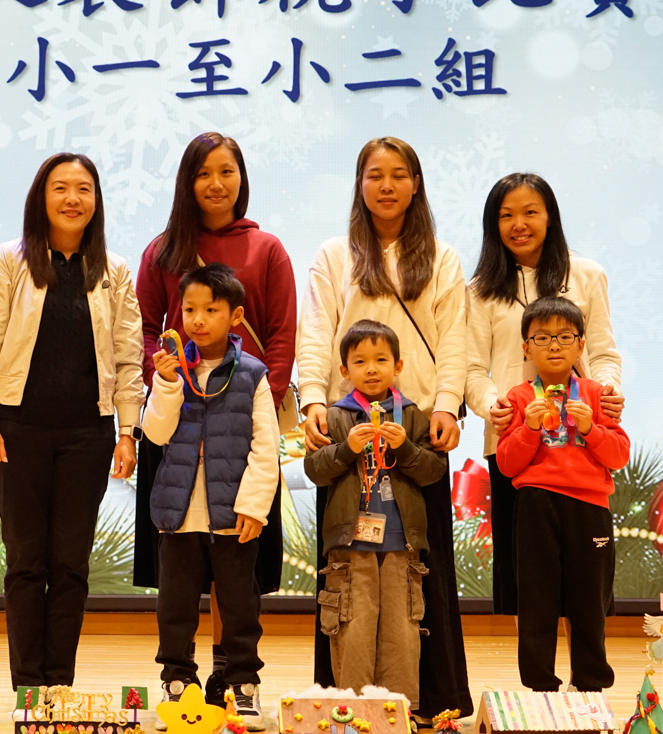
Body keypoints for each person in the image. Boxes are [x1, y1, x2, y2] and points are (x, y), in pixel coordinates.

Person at [297, 136, 472, 718]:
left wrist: (446, 405)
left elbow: (454, 340)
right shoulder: (334, 254)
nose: (387, 185)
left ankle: (431, 701)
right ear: (360, 183)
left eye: (399, 174)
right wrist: (312, 399)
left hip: (416, 427)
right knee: (345, 578)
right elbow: (316, 331)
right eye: (375, 174)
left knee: (421, 573)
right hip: (347, 427)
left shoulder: (442, 258)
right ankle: (342, 701)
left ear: (416, 184)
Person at [0, 153, 144, 703]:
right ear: (41, 197)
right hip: (17, 432)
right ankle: (28, 690)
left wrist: (128, 432)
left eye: (84, 188)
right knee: (25, 564)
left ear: (96, 201)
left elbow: (129, 359)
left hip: (89, 436)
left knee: (70, 566)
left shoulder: (114, 271)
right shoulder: (9, 261)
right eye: (60, 187)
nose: (72, 199)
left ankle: (58, 687)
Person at [133, 131, 296, 704]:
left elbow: (281, 333)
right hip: (176, 420)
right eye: (203, 173)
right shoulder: (163, 251)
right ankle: (177, 674)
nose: (216, 183)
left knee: (237, 570)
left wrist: (254, 395)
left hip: (241, 427)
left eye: (227, 171)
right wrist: (167, 378)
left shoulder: (267, 248)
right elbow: (144, 328)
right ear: (187, 181)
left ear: (241, 178)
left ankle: (235, 674)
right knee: (178, 577)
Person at [465, 173, 623, 615]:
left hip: (581, 444)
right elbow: (473, 369)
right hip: (515, 444)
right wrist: (492, 405)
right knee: (524, 575)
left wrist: (608, 391)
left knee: (584, 575)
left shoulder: (586, 275)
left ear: (549, 216)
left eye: (530, 212)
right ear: (493, 224)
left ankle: (586, 659)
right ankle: (529, 662)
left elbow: (604, 353)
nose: (519, 224)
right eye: (506, 215)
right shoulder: (479, 290)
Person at [142, 263, 279, 732]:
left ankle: (242, 684)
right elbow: (156, 434)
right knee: (175, 606)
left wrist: (254, 506)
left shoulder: (253, 374)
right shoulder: (173, 370)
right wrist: (166, 385)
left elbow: (266, 446)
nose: (197, 320)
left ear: (235, 316)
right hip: (179, 512)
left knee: (240, 606)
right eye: (189, 310)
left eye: (211, 310)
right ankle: (178, 681)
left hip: (233, 513)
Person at [305, 320, 447, 700]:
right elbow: (315, 470)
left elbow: (433, 471)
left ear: (398, 366)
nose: (371, 369)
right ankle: (352, 711)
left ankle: (399, 710)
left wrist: (406, 449)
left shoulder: (412, 414)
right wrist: (346, 449)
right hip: (350, 543)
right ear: (344, 370)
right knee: (353, 624)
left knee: (403, 628)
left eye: (381, 360)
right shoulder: (335, 416)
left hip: (402, 544)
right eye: (360, 361)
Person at [496, 296, 629, 691]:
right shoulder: (519, 397)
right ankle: (539, 684)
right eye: (542, 337)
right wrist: (528, 429)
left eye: (564, 336)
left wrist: (592, 429)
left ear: (581, 345)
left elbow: (619, 455)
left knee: (590, 600)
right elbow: (507, 465)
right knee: (536, 599)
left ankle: (590, 681)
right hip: (536, 505)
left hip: (590, 506)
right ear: (526, 347)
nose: (554, 345)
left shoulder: (597, 394)